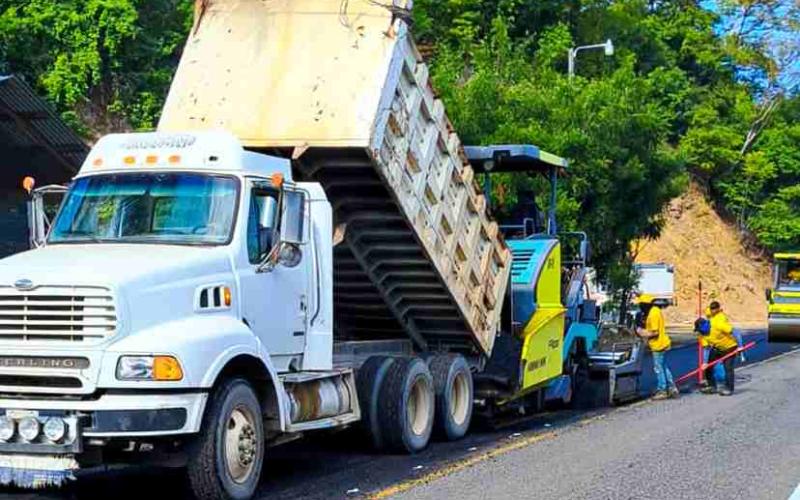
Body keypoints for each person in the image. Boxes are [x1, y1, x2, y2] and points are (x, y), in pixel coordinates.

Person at [635, 294, 679, 400]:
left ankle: (662, 390)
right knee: (663, 367)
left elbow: (654, 332)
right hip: (662, 343)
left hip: (658, 345)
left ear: (645, 304)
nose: (640, 307)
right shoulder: (654, 311)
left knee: (658, 368)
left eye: (641, 305)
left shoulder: (653, 314)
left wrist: (641, 332)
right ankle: (672, 388)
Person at [702, 301, 738, 396]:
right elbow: (706, 348)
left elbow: (735, 332)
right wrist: (705, 362)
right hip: (718, 347)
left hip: (729, 347)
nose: (712, 311)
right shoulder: (704, 331)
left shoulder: (720, 321)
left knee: (728, 368)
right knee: (709, 365)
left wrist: (740, 346)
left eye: (715, 309)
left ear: (718, 309)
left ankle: (729, 388)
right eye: (711, 309)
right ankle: (712, 386)